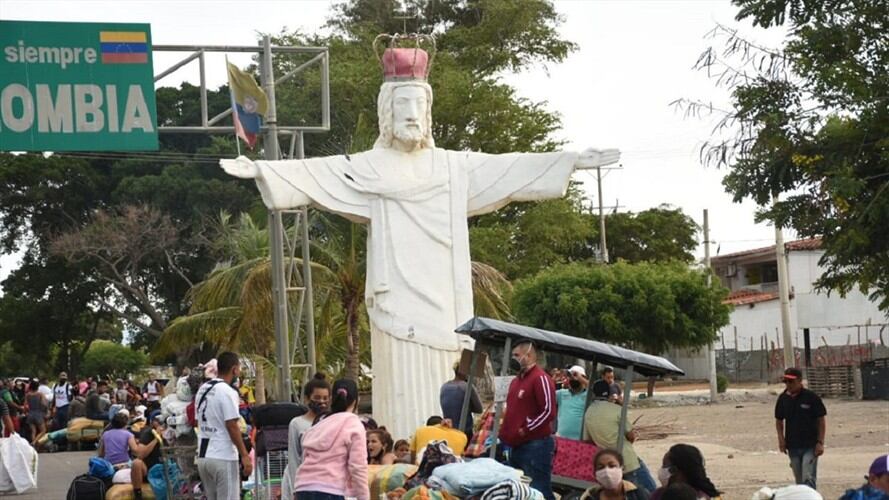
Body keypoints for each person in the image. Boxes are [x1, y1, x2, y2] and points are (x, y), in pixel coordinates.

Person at [220, 43, 620, 439]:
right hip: (397, 306)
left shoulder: (452, 167)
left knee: (450, 389)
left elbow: (510, 169)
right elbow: (321, 173)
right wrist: (261, 170)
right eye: (402, 106)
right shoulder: (370, 168)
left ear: (428, 113)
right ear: (386, 112)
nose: (411, 115)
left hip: (445, 301)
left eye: (418, 106)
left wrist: (571, 160)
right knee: (403, 397)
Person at [294, 378, 370, 500]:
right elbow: (358, 467)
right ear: (356, 400)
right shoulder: (353, 424)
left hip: (303, 487)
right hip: (330, 489)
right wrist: (364, 497)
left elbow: (305, 456)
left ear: (332, 399)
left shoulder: (320, 422)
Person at [500, 340, 557, 500]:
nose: (514, 358)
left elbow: (548, 411)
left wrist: (525, 428)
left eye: (517, 355)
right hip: (516, 446)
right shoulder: (516, 381)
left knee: (539, 490)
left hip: (535, 446)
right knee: (521, 492)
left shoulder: (540, 378)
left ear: (529, 355)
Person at [195, 352, 253, 500]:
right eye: (239, 368)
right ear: (234, 369)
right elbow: (232, 425)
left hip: (203, 456)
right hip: (223, 456)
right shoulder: (228, 391)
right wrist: (245, 455)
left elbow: (197, 421)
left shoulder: (202, 389)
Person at [584, 381, 657, 493]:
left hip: (608, 462)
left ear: (594, 394)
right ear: (609, 393)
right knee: (650, 491)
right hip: (627, 460)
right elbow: (631, 435)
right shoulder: (617, 410)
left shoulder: (588, 412)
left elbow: (587, 440)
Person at [775, 367, 826, 489]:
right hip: (793, 446)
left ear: (799, 381)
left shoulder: (811, 397)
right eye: (786, 381)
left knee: (808, 477)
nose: (788, 385)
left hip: (810, 445)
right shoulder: (783, 399)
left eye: (791, 381)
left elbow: (821, 420)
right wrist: (781, 439)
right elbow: (779, 420)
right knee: (799, 480)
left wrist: (820, 442)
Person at [286, 373, 331, 496]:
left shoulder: (332, 422)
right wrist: (295, 489)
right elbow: (294, 458)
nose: (322, 402)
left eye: (325, 398)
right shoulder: (296, 424)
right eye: (317, 397)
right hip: (306, 485)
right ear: (307, 398)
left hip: (330, 485)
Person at [98, 412, 153, 500]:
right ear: (125, 423)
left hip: (109, 464)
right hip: (124, 464)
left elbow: (101, 454)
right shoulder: (128, 434)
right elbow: (135, 451)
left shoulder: (106, 434)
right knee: (137, 464)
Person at [650, 444, 721, 500]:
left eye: (664, 466)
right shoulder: (659, 493)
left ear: (675, 470)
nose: (662, 469)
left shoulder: (702, 497)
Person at [580, 448, 649, 500]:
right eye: (601, 467)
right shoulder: (589, 497)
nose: (607, 471)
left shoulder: (637, 494)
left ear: (622, 469)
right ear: (595, 473)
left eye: (612, 466)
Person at [440, 360, 483, 440]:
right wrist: (469, 406)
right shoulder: (467, 387)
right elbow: (479, 409)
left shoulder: (444, 387)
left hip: (447, 429)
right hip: (465, 432)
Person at [556, 365, 589, 440]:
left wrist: (581, 378)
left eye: (575, 375)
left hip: (579, 440)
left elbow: (594, 390)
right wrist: (553, 379)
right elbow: (545, 395)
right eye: (570, 376)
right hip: (561, 438)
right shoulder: (561, 393)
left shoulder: (588, 395)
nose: (573, 378)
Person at [24, 381, 48, 445]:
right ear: (37, 387)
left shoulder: (27, 395)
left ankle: (33, 446)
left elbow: (25, 406)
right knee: (43, 430)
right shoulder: (40, 394)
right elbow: (44, 404)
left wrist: (26, 412)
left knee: (33, 431)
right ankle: (34, 442)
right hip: (38, 414)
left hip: (30, 414)